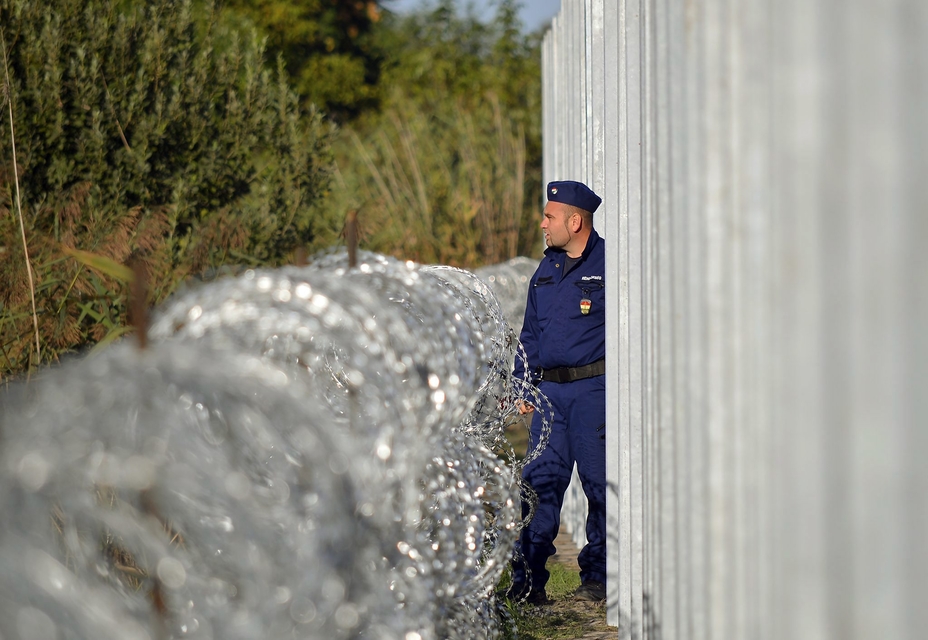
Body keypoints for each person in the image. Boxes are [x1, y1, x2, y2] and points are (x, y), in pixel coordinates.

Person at [510, 180, 606, 605]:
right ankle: (527, 583)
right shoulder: (545, 270)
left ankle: (597, 580)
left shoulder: (609, 264)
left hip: (592, 392)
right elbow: (530, 335)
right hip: (549, 396)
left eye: (550, 216)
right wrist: (522, 384)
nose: (543, 223)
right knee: (538, 487)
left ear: (575, 220)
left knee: (598, 485)